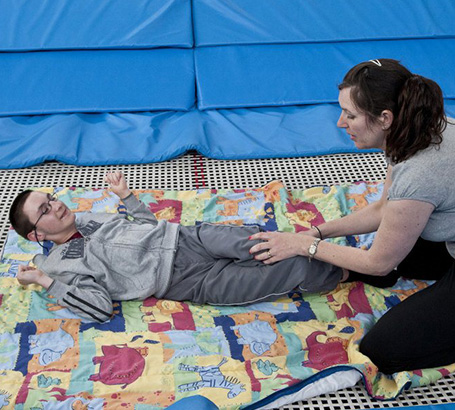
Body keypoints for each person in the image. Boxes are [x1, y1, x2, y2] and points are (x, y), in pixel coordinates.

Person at [249, 58, 455, 374]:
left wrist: (303, 246)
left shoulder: (420, 172)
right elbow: (385, 209)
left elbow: (378, 262)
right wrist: (317, 233)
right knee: (402, 257)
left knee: (383, 351)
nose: (340, 123)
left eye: (350, 115)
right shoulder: (417, 129)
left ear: (385, 118)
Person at [10, 171, 342, 323]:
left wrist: (128, 198)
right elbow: (97, 309)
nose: (55, 206)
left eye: (50, 199)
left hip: (186, 238)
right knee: (289, 270)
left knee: (259, 242)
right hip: (185, 280)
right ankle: (350, 268)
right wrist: (44, 282)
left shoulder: (86, 217)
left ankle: (327, 247)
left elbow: (146, 226)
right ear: (36, 235)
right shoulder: (58, 267)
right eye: (44, 211)